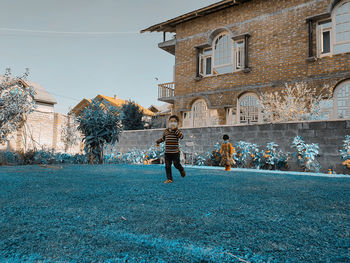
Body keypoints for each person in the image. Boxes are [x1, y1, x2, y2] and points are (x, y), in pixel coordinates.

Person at [156, 115, 186, 183]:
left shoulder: (177, 131)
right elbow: (163, 138)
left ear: (177, 123)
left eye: (175, 121)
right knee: (167, 166)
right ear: (168, 122)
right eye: (171, 121)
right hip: (167, 153)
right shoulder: (166, 131)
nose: (172, 123)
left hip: (175, 152)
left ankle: (181, 169)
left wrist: (175, 130)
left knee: (176, 164)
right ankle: (169, 179)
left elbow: (181, 137)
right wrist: (158, 141)